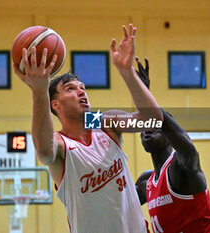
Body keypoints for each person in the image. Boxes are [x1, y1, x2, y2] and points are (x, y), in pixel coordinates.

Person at [13, 24, 162, 233]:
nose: (81, 92)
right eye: (71, 89)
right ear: (55, 104)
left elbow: (153, 120)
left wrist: (127, 72)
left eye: (82, 88)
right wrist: (39, 93)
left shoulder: (102, 123)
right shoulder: (61, 143)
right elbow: (44, 152)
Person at [135, 58, 210, 233]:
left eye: (155, 126)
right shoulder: (145, 182)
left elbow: (188, 148)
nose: (148, 130)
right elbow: (115, 202)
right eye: (145, 125)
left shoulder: (180, 165)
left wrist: (146, 96)